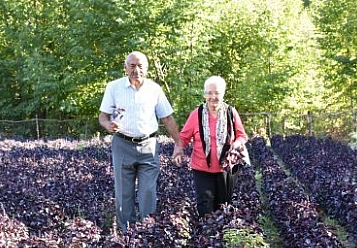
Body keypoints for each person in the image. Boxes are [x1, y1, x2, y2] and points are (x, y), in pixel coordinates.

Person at [99, 51, 184, 232]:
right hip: (122, 144)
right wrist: (107, 125)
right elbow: (103, 116)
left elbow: (167, 118)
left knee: (147, 193)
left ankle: (147, 232)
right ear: (125, 68)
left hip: (149, 146)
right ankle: (126, 234)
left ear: (146, 68)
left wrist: (178, 143)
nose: (136, 70)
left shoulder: (154, 89)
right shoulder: (113, 87)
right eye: (132, 66)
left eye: (140, 66)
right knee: (124, 195)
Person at [177, 75, 249, 218]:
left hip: (225, 168)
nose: (213, 97)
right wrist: (178, 151)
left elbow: (242, 135)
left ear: (223, 94)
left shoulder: (231, 113)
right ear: (205, 94)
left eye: (217, 93)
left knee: (223, 205)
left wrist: (236, 143)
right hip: (201, 168)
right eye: (209, 93)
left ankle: (221, 236)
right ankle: (207, 233)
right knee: (205, 205)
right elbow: (184, 137)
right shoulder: (196, 114)